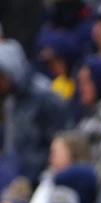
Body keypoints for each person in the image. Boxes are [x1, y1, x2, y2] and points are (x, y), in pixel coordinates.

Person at [0, 39, 72, 183]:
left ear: (12, 71)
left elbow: (61, 143)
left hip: (39, 180)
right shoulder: (10, 98)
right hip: (13, 179)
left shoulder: (46, 97)